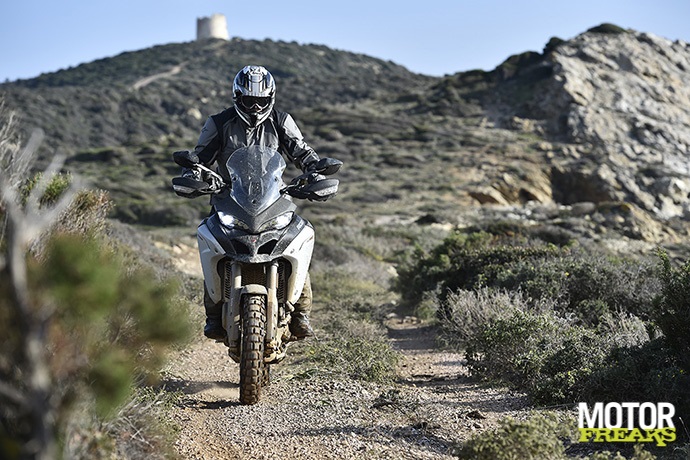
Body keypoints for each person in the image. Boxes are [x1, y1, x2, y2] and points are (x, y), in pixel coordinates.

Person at [183, 65, 319, 341]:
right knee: (211, 242)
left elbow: (302, 152)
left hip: (274, 199)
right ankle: (213, 313)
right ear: (237, 97)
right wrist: (192, 171)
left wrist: (315, 169)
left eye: (261, 100)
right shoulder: (219, 123)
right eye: (249, 100)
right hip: (229, 199)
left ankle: (301, 312)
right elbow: (201, 157)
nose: (255, 106)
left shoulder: (281, 121)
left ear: (271, 98)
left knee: (297, 240)